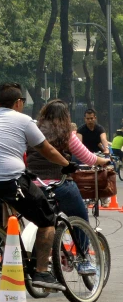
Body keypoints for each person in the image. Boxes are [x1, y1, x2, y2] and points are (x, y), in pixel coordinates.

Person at [0, 82, 74, 291]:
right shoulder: (24, 120)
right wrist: (67, 165)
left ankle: (13, 249)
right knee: (47, 221)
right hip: (10, 179)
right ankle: (42, 272)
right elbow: (47, 150)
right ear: (18, 102)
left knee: (14, 210)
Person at [28, 99, 109, 275]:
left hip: (33, 186)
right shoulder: (67, 134)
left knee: (42, 222)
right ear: (66, 116)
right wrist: (105, 161)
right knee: (79, 217)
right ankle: (84, 260)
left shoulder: (33, 131)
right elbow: (88, 157)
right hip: (59, 184)